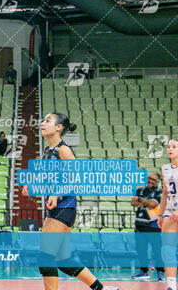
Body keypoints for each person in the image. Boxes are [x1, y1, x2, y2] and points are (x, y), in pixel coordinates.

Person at [22, 113, 118, 290]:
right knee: (63, 260)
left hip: (64, 208)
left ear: (59, 128)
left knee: (45, 258)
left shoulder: (63, 150)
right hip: (58, 210)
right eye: (43, 120)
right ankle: (101, 289)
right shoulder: (48, 151)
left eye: (48, 121)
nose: (43, 123)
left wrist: (57, 194)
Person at [131, 172, 164, 280]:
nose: (150, 181)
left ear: (158, 181)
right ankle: (143, 271)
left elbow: (153, 204)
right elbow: (133, 202)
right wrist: (145, 201)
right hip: (140, 224)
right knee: (141, 249)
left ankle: (160, 271)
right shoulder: (140, 190)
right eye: (149, 178)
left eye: (153, 179)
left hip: (153, 225)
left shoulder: (160, 191)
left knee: (157, 249)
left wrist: (141, 201)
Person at [157, 139, 178, 290]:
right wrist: (160, 214)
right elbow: (165, 193)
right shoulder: (165, 168)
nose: (170, 149)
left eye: (174, 146)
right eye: (168, 147)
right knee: (167, 248)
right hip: (170, 213)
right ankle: (171, 285)